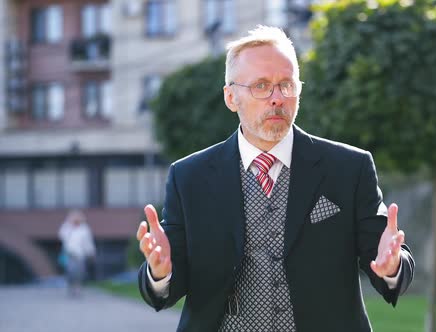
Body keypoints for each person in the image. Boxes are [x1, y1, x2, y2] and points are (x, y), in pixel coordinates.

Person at [136, 26, 414, 332]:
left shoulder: (350, 168)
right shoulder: (189, 176)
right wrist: (160, 273)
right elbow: (167, 289)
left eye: (286, 84)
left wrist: (392, 266)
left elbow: (385, 260)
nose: (277, 98)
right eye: (261, 86)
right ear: (231, 97)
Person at [58, 210, 96, 297]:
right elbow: (61, 235)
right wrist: (68, 223)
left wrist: (91, 252)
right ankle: (71, 287)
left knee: (79, 272)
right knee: (70, 272)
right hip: (69, 254)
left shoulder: (84, 229)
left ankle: (78, 288)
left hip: (80, 254)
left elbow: (88, 242)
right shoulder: (67, 228)